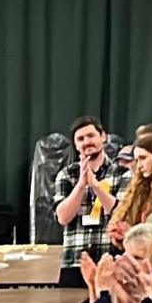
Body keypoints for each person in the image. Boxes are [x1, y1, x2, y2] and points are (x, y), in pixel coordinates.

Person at [54, 117, 120, 287]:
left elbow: (119, 213)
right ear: (75, 145)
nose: (86, 142)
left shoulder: (122, 173)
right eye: (80, 139)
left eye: (91, 136)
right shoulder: (66, 175)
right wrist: (81, 184)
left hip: (110, 262)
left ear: (103, 137)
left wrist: (95, 185)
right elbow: (63, 217)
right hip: (75, 262)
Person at [108, 130, 152, 253]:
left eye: (143, 158)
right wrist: (120, 235)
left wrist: (133, 233)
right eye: (136, 160)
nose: (138, 166)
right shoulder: (135, 189)